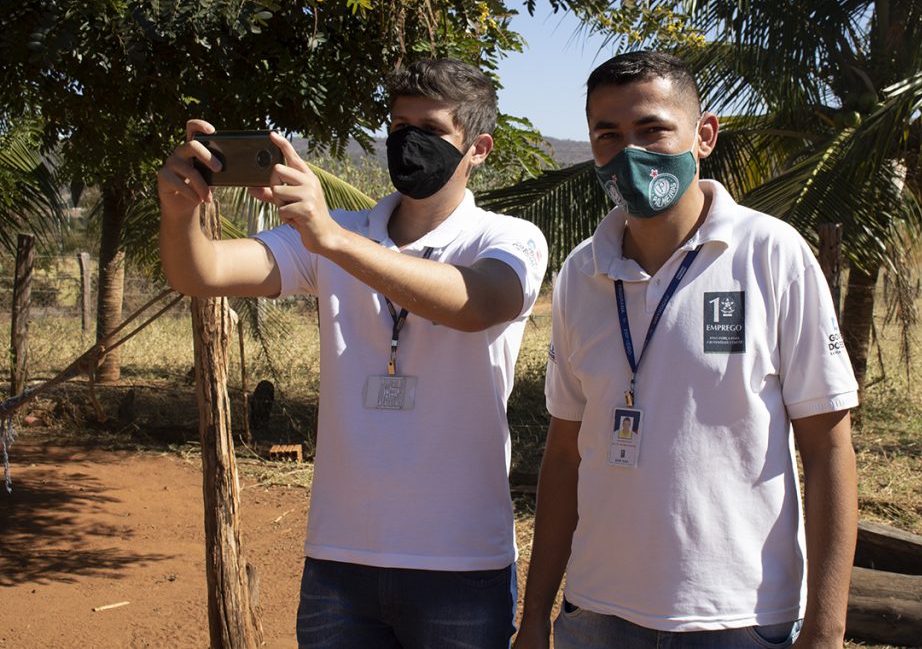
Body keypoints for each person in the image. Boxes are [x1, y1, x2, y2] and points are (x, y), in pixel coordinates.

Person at [158, 58, 547, 649]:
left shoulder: (508, 237)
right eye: (397, 125)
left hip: (461, 565)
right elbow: (201, 271)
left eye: (432, 129)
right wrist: (180, 211)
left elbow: (477, 303)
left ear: (479, 148)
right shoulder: (331, 233)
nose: (408, 141)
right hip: (339, 564)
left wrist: (335, 242)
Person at [514, 51, 859, 649]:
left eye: (652, 129)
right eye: (609, 135)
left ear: (704, 135)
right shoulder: (580, 273)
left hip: (739, 617)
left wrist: (827, 629)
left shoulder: (771, 254)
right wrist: (535, 614)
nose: (630, 153)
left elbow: (828, 446)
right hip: (596, 615)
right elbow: (565, 454)